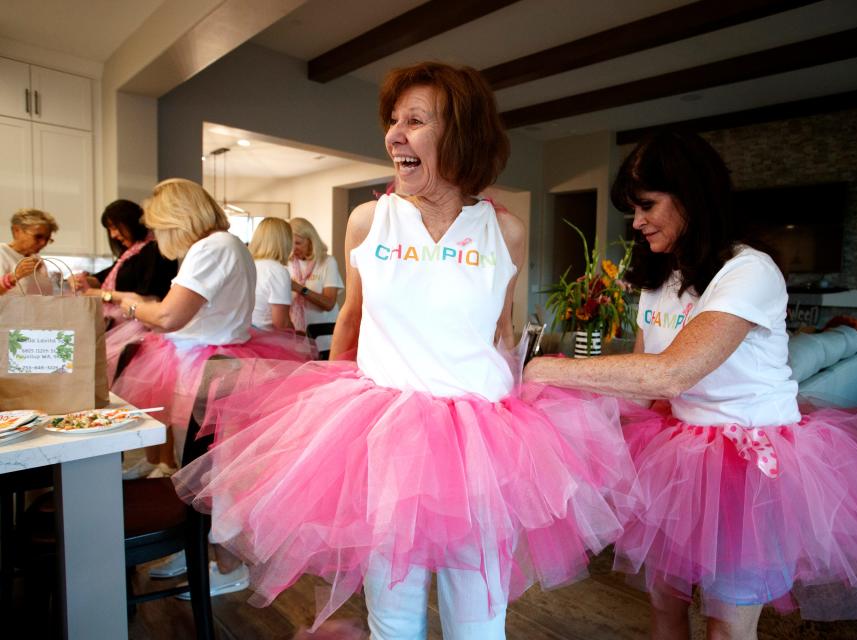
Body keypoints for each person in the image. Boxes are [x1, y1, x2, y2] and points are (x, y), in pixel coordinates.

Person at [173, 62, 636, 639]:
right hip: (384, 434)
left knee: (480, 615)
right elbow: (352, 317)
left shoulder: (506, 231)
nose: (394, 136)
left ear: (462, 135)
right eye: (393, 121)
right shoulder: (369, 220)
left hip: (482, 443)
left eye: (414, 122)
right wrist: (323, 423)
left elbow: (502, 330)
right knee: (392, 614)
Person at [524, 130, 857, 639]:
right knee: (664, 607)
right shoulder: (661, 277)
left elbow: (673, 371)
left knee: (726, 628)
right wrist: (565, 412)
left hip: (750, 465)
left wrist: (545, 368)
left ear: (692, 195)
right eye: (633, 208)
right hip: (678, 456)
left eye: (647, 205)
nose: (637, 221)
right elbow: (649, 388)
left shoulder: (749, 271)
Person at [107, 180, 312, 481]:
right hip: (210, 352)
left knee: (197, 449)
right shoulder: (225, 244)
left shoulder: (211, 248)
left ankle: (181, 498)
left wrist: (132, 306)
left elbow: (168, 316)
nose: (160, 236)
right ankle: (167, 474)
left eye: (160, 227)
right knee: (196, 446)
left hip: (200, 359)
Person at [70, 199, 179, 326]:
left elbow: (151, 298)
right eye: (109, 229)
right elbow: (101, 278)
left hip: (142, 325)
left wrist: (100, 294)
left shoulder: (156, 251)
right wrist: (79, 280)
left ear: (131, 222)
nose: (113, 235)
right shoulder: (129, 254)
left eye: (115, 228)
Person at [288, 217, 343, 358]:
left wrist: (299, 288)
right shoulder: (287, 264)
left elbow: (329, 303)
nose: (294, 249)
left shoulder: (327, 262)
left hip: (325, 336)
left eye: (298, 243)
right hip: (298, 336)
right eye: (290, 244)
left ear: (311, 240)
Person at [249, 217, 295, 330]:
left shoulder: (248, 264)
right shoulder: (277, 271)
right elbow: (281, 323)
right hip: (266, 337)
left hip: (245, 336)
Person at [0, 208, 58, 295]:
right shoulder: (2, 253)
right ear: (17, 231)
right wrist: (13, 277)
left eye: (47, 239)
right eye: (38, 236)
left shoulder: (37, 259)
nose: (43, 243)